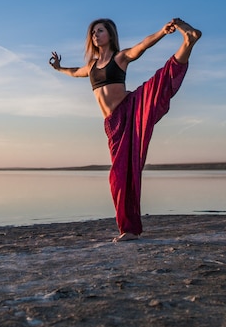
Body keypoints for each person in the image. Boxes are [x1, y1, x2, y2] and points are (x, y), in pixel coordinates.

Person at [49, 18, 201, 242]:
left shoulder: (120, 58)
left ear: (110, 34)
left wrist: (161, 32)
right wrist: (59, 68)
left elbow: (143, 45)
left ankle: (188, 42)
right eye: (93, 33)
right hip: (113, 126)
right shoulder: (91, 66)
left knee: (158, 84)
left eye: (100, 31)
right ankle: (128, 228)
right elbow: (75, 72)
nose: (95, 35)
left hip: (129, 111)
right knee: (120, 176)